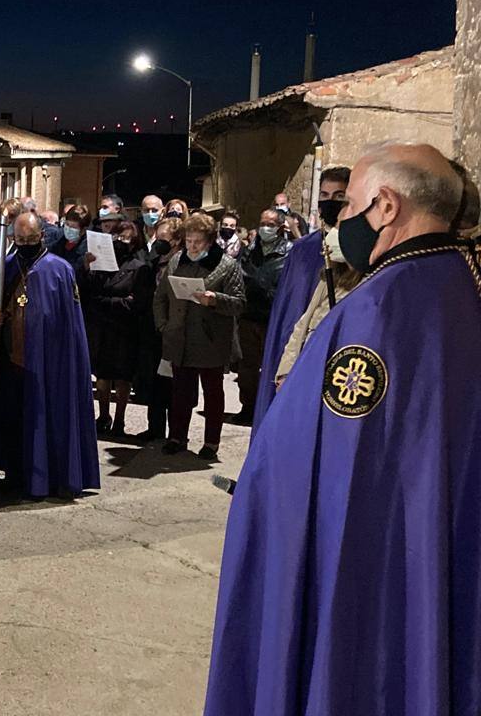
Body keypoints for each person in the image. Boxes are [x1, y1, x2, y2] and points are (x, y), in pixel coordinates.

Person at [204, 142, 481, 715]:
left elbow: (316, 460)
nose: (341, 221)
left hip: (372, 566)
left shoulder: (377, 307)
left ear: (384, 205)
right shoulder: (464, 279)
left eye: (349, 202)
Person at [0, 212, 99, 499]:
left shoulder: (59, 270)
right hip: (10, 361)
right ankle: (14, 474)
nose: (24, 244)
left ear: (41, 237)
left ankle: (49, 476)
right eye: (19, 239)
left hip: (47, 363)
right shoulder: (4, 269)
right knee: (12, 420)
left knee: (45, 418)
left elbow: (70, 324)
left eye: (30, 239)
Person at [250, 166, 350, 435]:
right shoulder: (303, 250)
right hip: (295, 348)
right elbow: (290, 311)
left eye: (339, 195)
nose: (331, 202)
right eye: (325, 194)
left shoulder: (359, 252)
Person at [154, 212, 244, 460]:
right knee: (180, 392)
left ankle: (211, 443)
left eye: (198, 242)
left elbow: (239, 303)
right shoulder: (176, 261)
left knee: (213, 393)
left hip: (211, 340)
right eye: (189, 241)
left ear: (210, 241)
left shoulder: (226, 265)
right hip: (179, 336)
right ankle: (177, 437)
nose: (192, 246)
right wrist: (163, 324)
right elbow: (160, 296)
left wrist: (216, 300)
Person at [79, 220, 151, 436]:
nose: (121, 242)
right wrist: (86, 267)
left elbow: (136, 302)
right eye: (118, 237)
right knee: (102, 375)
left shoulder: (139, 268)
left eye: (127, 238)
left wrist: (107, 301)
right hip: (102, 327)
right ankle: (103, 416)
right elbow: (87, 292)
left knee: (122, 376)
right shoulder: (101, 266)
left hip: (125, 329)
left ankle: (119, 419)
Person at [273, 219, 362, 387]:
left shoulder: (369, 284)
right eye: (335, 225)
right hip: (306, 366)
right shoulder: (332, 276)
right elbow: (304, 323)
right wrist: (286, 370)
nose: (333, 233)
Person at [232, 208, 292, 425]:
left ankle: (268, 410)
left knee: (271, 367)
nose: (265, 228)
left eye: (270, 224)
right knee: (247, 368)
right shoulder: (249, 250)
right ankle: (247, 407)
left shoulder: (289, 252)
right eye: (262, 223)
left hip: (272, 319)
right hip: (249, 317)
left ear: (281, 227)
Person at [133, 217, 183, 442]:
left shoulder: (181, 263)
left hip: (173, 330)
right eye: (157, 237)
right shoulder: (153, 260)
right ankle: (155, 428)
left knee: (172, 384)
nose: (158, 242)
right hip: (151, 328)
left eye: (163, 238)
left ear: (176, 240)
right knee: (154, 382)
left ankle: (176, 433)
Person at [51, 205, 91, 269]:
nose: (68, 229)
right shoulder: (59, 243)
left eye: (73, 227)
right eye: (67, 224)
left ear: (83, 230)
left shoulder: (87, 250)